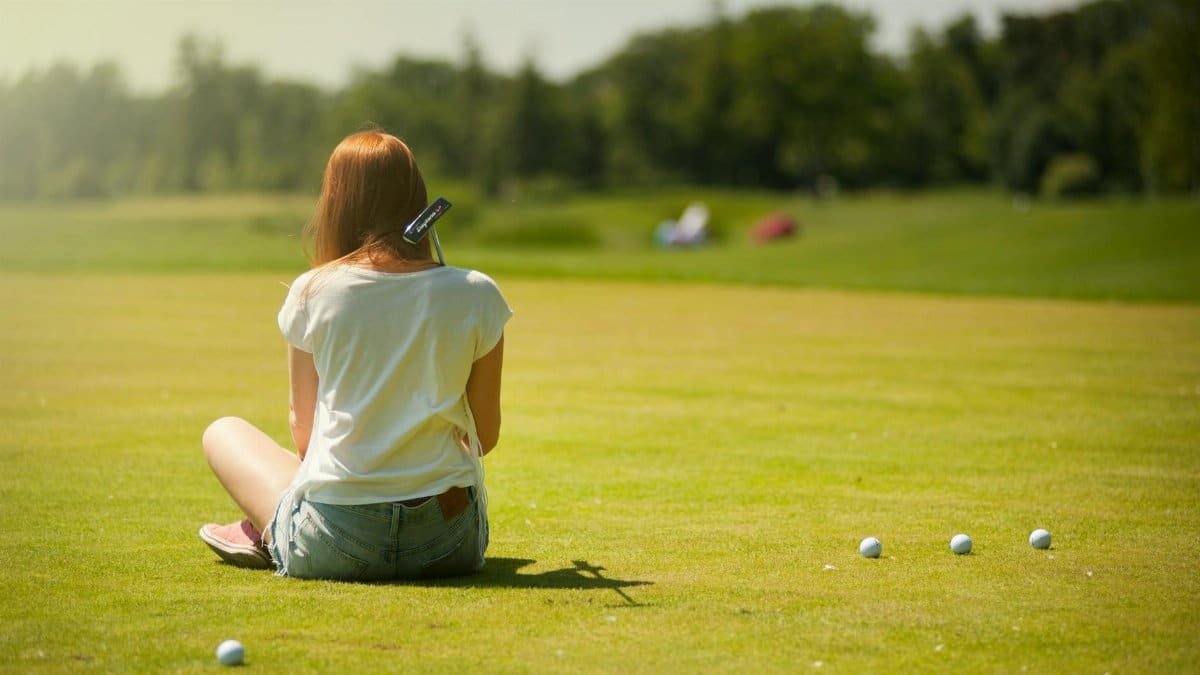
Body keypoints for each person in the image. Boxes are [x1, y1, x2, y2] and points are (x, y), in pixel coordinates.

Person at [198, 129, 512, 581]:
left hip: (334, 540)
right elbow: (483, 437)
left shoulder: (313, 290)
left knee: (222, 431)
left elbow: (304, 436)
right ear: (417, 198)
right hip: (448, 543)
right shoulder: (478, 293)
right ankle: (274, 525)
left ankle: (273, 528)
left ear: (337, 201)